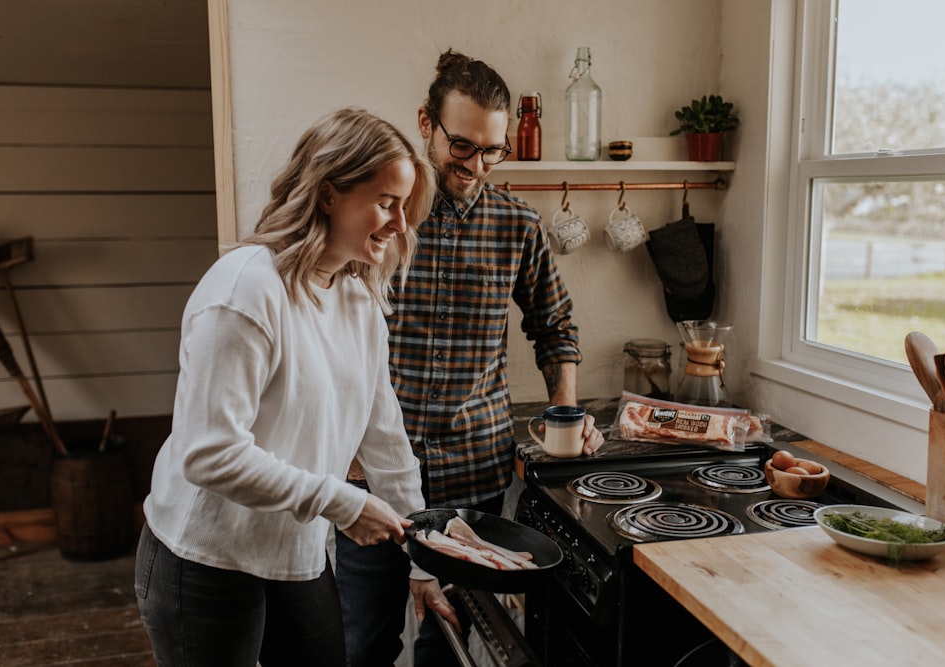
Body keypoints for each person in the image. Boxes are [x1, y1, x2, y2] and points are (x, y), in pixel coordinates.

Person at [133, 107, 458, 667]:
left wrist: (424, 557)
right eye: (386, 202)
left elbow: (385, 439)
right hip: (205, 558)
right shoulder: (245, 291)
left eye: (406, 207)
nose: (401, 225)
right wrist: (343, 503)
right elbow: (208, 453)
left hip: (294, 553)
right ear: (328, 194)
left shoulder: (359, 299)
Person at [335, 50, 605, 667]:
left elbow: (555, 324)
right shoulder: (382, 220)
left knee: (450, 642)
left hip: (471, 477)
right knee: (364, 642)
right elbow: (333, 333)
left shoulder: (518, 225)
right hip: (372, 470)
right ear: (425, 123)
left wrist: (565, 415)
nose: (476, 165)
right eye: (462, 146)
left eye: (493, 151)